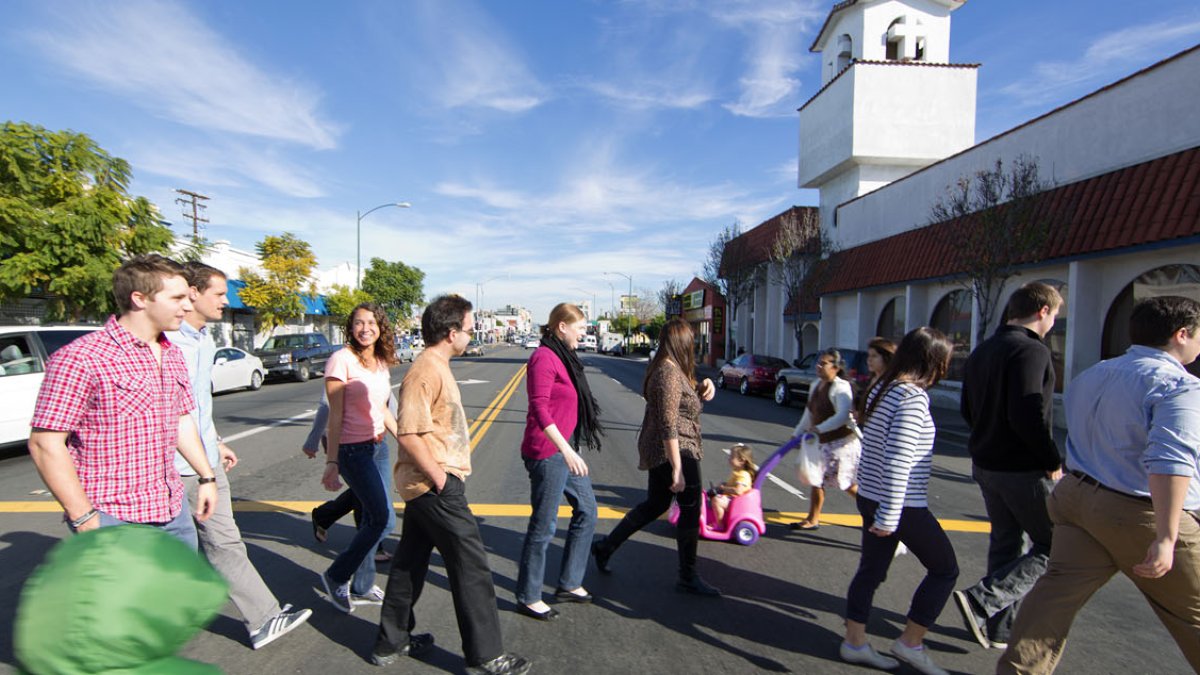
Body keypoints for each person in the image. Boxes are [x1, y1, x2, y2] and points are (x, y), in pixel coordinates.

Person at [998, 296, 1200, 674]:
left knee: (1055, 595)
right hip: (1135, 509)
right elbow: (1170, 462)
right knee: (1193, 613)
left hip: (1078, 496)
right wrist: (1167, 536)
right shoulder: (1179, 386)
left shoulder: (1095, 373)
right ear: (1182, 334)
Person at [373, 295, 530, 675]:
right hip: (433, 484)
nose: (472, 333)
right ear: (451, 332)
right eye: (469, 328)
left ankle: (390, 641)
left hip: (426, 485)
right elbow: (409, 434)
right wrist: (443, 480)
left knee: (409, 564)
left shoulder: (437, 365)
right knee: (471, 564)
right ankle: (487, 654)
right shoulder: (426, 370)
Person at [167, 262, 311, 649]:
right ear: (193, 293)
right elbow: (171, 414)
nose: (225, 301)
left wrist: (215, 442)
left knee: (219, 542)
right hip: (181, 466)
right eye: (218, 293)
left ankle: (262, 617)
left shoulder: (203, 340)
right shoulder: (169, 343)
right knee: (210, 543)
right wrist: (202, 462)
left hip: (201, 457)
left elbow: (196, 406)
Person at [28, 254, 217, 547]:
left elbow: (181, 419)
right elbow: (45, 443)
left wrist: (206, 478)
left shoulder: (172, 353)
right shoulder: (81, 357)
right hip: (114, 517)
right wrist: (84, 518)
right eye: (177, 297)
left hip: (172, 511)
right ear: (140, 299)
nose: (188, 305)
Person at [840, 327, 958, 675]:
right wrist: (891, 515)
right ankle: (911, 642)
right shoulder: (911, 397)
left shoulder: (883, 389)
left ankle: (855, 642)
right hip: (900, 504)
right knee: (945, 569)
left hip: (873, 496)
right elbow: (898, 459)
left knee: (871, 571)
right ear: (932, 361)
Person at [953, 282, 1063, 650]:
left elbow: (967, 408)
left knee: (1005, 543)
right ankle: (983, 599)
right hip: (1022, 468)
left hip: (986, 463)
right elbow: (1028, 414)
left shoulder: (983, 350)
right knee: (1055, 545)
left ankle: (996, 627)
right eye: (1056, 315)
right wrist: (1052, 459)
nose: (1054, 324)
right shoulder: (1031, 351)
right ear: (1043, 311)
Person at [590, 318, 721, 596]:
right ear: (683, 344)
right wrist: (677, 468)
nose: (694, 347)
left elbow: (683, 404)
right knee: (690, 507)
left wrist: (703, 386)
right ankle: (687, 575)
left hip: (667, 446)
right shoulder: (668, 373)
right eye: (691, 342)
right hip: (675, 448)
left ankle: (605, 547)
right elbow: (668, 423)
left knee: (655, 504)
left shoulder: (671, 369)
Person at [515, 303, 603, 621]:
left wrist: (570, 448)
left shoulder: (565, 357)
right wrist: (566, 450)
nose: (584, 333)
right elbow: (539, 408)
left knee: (588, 510)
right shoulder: (543, 357)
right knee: (544, 525)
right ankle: (528, 595)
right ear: (562, 326)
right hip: (547, 452)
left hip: (565, 450)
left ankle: (569, 582)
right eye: (580, 328)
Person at [318, 303, 398, 613]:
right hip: (353, 450)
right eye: (358, 323)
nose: (365, 328)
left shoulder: (379, 361)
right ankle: (337, 574)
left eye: (371, 322)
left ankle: (363, 586)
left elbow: (382, 408)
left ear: (381, 326)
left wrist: (405, 440)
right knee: (383, 518)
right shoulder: (341, 361)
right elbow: (334, 416)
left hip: (378, 447)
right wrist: (332, 461)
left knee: (370, 518)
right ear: (350, 328)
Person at [302, 392, 391, 563]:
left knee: (367, 489)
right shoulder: (343, 365)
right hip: (346, 443)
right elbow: (326, 405)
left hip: (374, 438)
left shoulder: (377, 367)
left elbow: (386, 401)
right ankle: (371, 547)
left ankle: (324, 516)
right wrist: (312, 441)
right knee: (366, 493)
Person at [791, 348, 862, 531]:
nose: (818, 366)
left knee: (847, 484)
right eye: (818, 362)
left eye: (824, 363)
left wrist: (818, 429)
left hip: (841, 444)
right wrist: (797, 432)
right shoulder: (816, 385)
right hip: (822, 442)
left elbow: (842, 416)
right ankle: (813, 519)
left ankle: (873, 513)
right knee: (816, 480)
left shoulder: (841, 388)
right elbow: (809, 413)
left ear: (836, 367)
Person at [710, 443, 758, 526]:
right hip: (732, 499)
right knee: (712, 496)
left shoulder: (743, 475)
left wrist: (724, 488)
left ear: (741, 461)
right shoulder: (738, 472)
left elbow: (738, 491)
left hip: (737, 503)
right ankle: (715, 518)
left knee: (717, 501)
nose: (729, 459)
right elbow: (733, 485)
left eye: (732, 457)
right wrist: (725, 484)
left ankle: (719, 524)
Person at [856, 337, 896, 419]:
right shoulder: (871, 379)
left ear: (886, 358)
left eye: (874, 356)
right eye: (869, 356)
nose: (869, 360)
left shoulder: (891, 384)